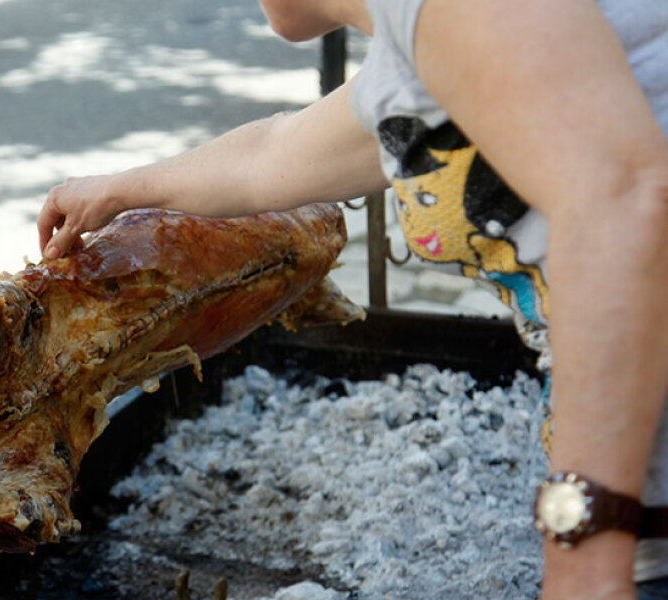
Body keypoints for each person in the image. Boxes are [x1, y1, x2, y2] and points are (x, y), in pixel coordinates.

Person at [36, 1, 668, 598]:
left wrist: (588, 555)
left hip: (613, 526)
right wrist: (120, 190)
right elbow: (268, 157)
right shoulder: (423, 42)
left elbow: (622, 204)